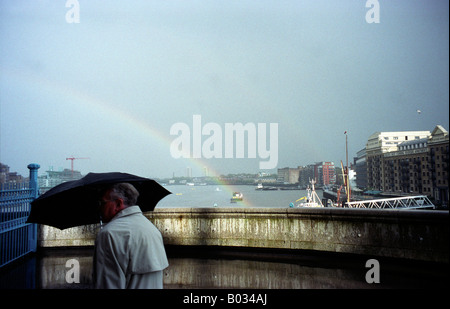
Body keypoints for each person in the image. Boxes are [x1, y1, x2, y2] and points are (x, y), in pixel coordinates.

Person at [93, 182, 169, 289]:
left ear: (119, 203)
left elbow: (107, 283)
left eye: (102, 203)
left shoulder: (109, 234)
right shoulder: (151, 229)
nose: (100, 208)